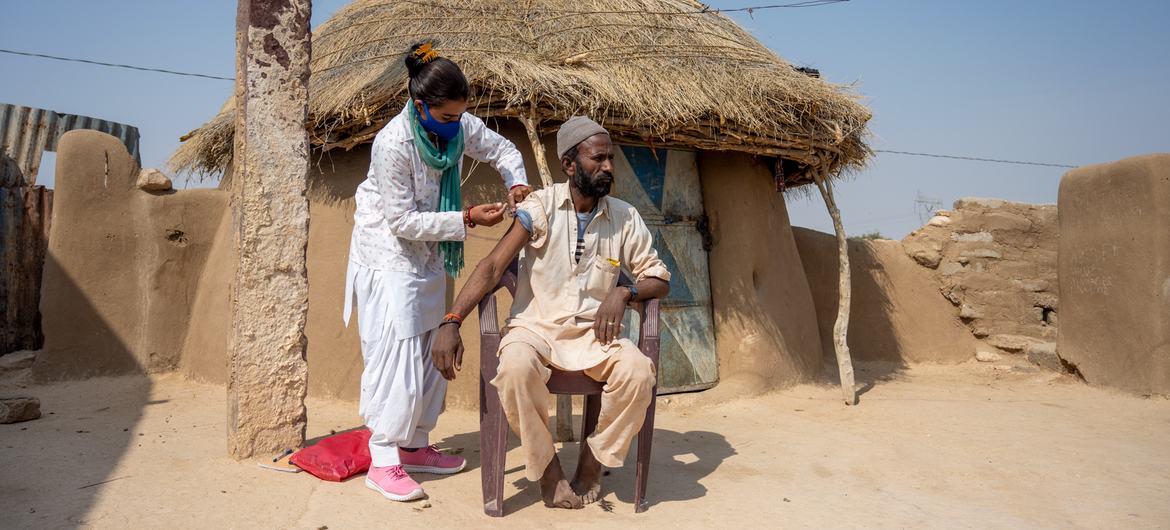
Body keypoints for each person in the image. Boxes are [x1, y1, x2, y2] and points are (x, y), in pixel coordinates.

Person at [430, 116, 671, 509]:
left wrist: (625, 291)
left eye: (611, 159)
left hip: (597, 337)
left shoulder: (625, 217)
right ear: (570, 164)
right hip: (536, 330)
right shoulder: (539, 206)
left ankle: (592, 463)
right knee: (514, 368)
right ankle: (549, 471)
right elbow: (492, 266)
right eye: (598, 159)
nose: (608, 167)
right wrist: (451, 320)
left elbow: (659, 279)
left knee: (639, 373)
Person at [343, 41, 532, 502]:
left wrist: (518, 180)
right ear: (420, 106)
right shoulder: (394, 143)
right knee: (396, 355)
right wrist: (466, 219)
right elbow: (401, 221)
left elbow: (502, 147)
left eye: (459, 117)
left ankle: (415, 444)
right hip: (389, 256)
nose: (455, 127)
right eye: (446, 118)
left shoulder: (458, 124)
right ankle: (383, 456)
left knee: (431, 347)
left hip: (428, 254)